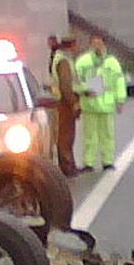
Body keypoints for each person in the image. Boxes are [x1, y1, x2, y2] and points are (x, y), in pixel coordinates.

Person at [74, 33, 127, 172]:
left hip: (107, 105)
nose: (97, 46)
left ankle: (108, 161)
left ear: (104, 44)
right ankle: (88, 163)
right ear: (90, 44)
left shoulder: (112, 62)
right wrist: (85, 90)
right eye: (94, 43)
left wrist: (120, 100)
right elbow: (75, 82)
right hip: (90, 105)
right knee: (89, 136)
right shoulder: (83, 62)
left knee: (107, 135)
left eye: (100, 43)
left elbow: (119, 81)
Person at [49, 36, 80, 176]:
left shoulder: (59, 58)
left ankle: (69, 166)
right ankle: (67, 168)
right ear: (71, 46)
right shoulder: (64, 61)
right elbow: (66, 85)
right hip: (64, 103)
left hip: (61, 102)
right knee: (66, 137)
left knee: (65, 136)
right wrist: (73, 103)